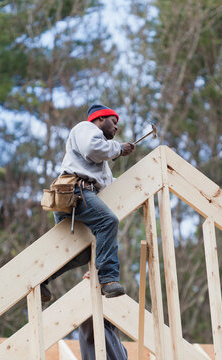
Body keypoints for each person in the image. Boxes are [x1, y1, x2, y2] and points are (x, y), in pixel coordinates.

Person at [40, 104, 135, 302]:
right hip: (76, 192)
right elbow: (92, 149)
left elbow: (107, 185)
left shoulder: (101, 164)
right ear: (100, 119)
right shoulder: (86, 128)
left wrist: (133, 185)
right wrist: (119, 148)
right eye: (113, 122)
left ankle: (42, 278)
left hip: (78, 196)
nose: (116, 128)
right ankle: (108, 279)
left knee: (82, 253)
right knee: (108, 221)